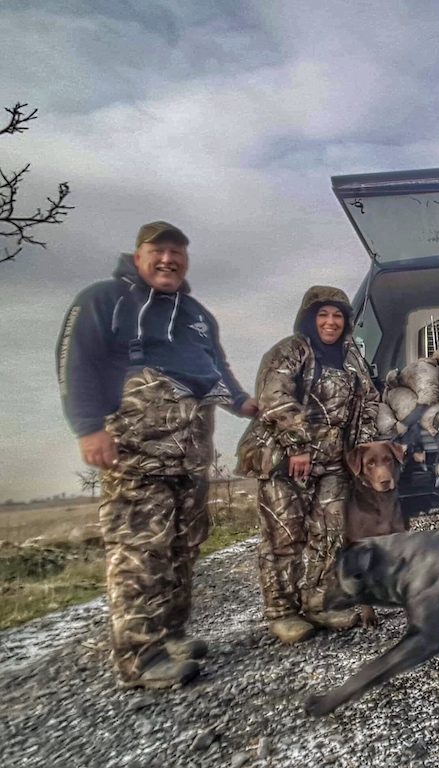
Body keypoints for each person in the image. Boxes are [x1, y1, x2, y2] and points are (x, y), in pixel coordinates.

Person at [56, 221, 257, 689]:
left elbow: (215, 371)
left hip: (190, 457)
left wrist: (242, 403)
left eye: (177, 252)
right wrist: (88, 428)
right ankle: (138, 658)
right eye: (158, 250)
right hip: (136, 456)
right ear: (138, 254)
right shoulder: (102, 300)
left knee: (183, 549)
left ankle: (169, 636)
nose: (168, 259)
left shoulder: (196, 313)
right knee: (140, 550)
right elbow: (75, 362)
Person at [236, 286, 382, 644]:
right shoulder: (290, 351)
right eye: (323, 315)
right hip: (287, 459)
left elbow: (369, 400)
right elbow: (275, 397)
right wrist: (298, 445)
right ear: (309, 318)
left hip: (334, 463)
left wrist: (362, 448)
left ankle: (319, 603)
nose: (330, 322)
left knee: (329, 533)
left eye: (337, 316)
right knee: (285, 535)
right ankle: (282, 612)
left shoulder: (351, 357)